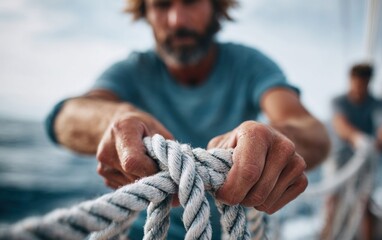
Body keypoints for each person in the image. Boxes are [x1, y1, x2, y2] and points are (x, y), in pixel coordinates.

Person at [45, 0, 330, 239]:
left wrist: (271, 139)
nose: (177, 19)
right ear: (145, 12)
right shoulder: (132, 71)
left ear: (216, 6)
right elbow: (65, 117)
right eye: (162, 4)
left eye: (191, 1)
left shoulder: (249, 65)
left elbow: (311, 131)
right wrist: (114, 119)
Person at [327, 63, 382, 239]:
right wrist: (359, 138)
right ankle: (324, 236)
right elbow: (340, 125)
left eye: (364, 82)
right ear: (350, 80)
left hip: (365, 159)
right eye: (356, 82)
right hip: (339, 158)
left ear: (369, 82)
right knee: (332, 201)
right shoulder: (338, 101)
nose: (359, 87)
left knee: (365, 203)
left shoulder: (378, 104)